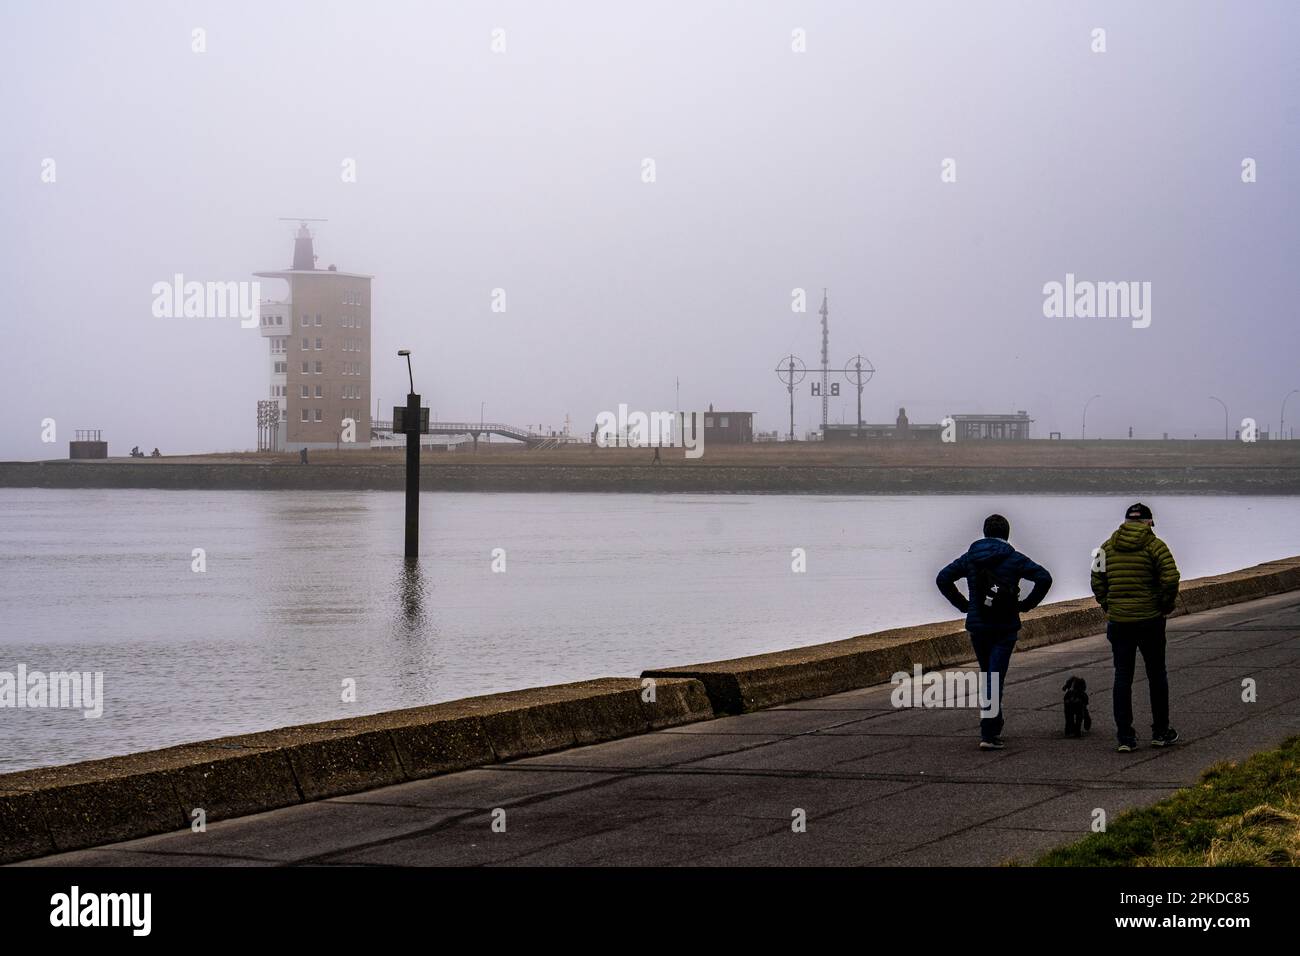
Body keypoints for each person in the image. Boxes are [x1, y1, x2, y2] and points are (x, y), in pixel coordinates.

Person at [936, 514, 1053, 750]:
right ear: (1007, 534)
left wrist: (964, 605)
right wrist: (1026, 605)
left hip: (978, 627)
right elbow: (1044, 577)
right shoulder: (1013, 557)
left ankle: (994, 723)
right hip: (1004, 626)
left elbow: (943, 578)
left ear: (985, 532)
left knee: (989, 675)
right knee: (994, 677)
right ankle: (989, 733)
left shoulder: (971, 557)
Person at [1091, 502, 1180, 752]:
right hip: (1150, 620)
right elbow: (1171, 578)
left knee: (1122, 677)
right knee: (1156, 675)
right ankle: (1161, 732)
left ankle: (1125, 737)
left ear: (1126, 521)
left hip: (1119, 623)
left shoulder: (1106, 547)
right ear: (1149, 522)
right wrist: (1164, 604)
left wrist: (1108, 604)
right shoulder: (1156, 546)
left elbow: (1095, 577)